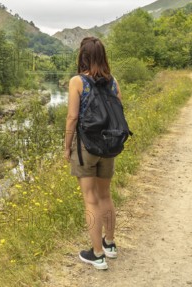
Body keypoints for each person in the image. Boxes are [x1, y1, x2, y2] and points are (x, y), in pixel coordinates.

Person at [64, 37, 120, 270]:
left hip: (86, 146)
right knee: (105, 195)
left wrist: (67, 146)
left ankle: (96, 254)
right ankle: (110, 244)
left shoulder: (77, 81)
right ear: (103, 56)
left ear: (82, 56)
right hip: (109, 145)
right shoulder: (113, 81)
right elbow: (118, 112)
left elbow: (72, 117)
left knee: (90, 199)